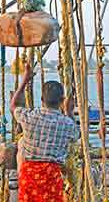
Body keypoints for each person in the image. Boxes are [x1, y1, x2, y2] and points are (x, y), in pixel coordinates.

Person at [10, 63, 77, 202]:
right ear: (62, 101)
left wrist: (25, 79)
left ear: (42, 100)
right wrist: (70, 111)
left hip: (28, 175)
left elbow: (14, 105)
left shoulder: (29, 117)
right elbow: (76, 135)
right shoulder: (67, 123)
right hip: (51, 177)